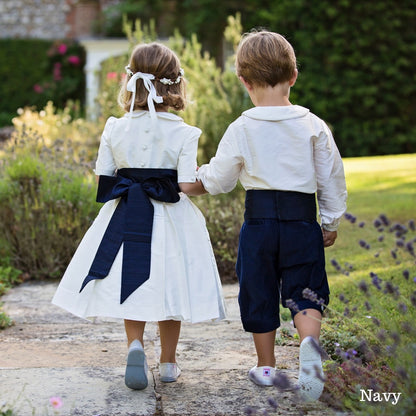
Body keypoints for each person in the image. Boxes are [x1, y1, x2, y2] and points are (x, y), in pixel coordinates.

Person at [52, 42, 226, 390]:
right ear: (174, 84)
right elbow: (186, 184)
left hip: (127, 212)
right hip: (172, 219)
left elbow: (104, 175)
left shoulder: (115, 127)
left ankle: (135, 345)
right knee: (170, 288)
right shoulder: (184, 131)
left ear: (130, 79)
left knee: (133, 283)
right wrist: (206, 181)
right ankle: (168, 363)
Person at [188, 30, 347, 401]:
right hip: (302, 221)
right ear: (293, 76)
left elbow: (221, 177)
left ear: (244, 81)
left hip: (258, 223)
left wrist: (197, 177)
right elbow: (331, 177)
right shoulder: (313, 126)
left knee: (257, 290)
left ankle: (266, 365)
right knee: (305, 289)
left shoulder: (242, 127)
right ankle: (309, 350)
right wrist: (331, 220)